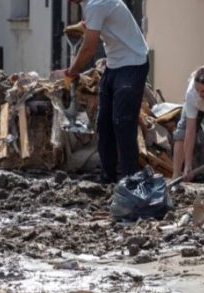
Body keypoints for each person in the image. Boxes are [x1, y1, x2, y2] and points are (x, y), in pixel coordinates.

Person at [60, 0, 150, 183]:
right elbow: (100, 25)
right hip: (114, 65)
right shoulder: (89, 4)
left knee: (123, 123)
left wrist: (71, 72)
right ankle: (108, 177)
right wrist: (84, 26)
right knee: (104, 123)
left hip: (132, 65)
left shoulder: (96, 4)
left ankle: (129, 180)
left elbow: (88, 49)